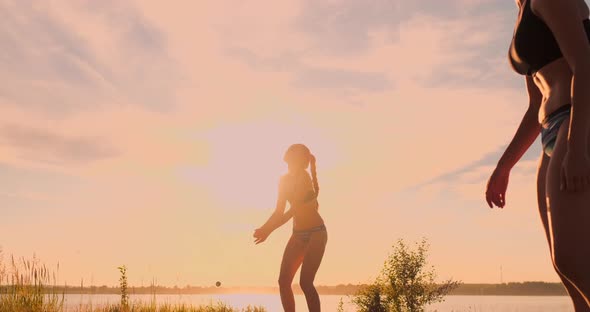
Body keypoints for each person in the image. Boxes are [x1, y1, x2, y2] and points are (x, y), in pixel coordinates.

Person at [486, 0, 590, 309]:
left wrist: (576, 146)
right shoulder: (521, 10)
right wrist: (504, 167)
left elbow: (585, 64)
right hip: (551, 129)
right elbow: (534, 108)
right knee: (566, 270)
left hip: (577, 122)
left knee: (573, 261)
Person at [253, 144, 328, 312]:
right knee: (283, 282)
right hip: (298, 234)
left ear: (301, 160)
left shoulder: (304, 178)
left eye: (294, 156)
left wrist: (269, 231)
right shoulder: (283, 180)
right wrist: (264, 228)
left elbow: (292, 212)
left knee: (306, 283)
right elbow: (278, 212)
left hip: (316, 233)